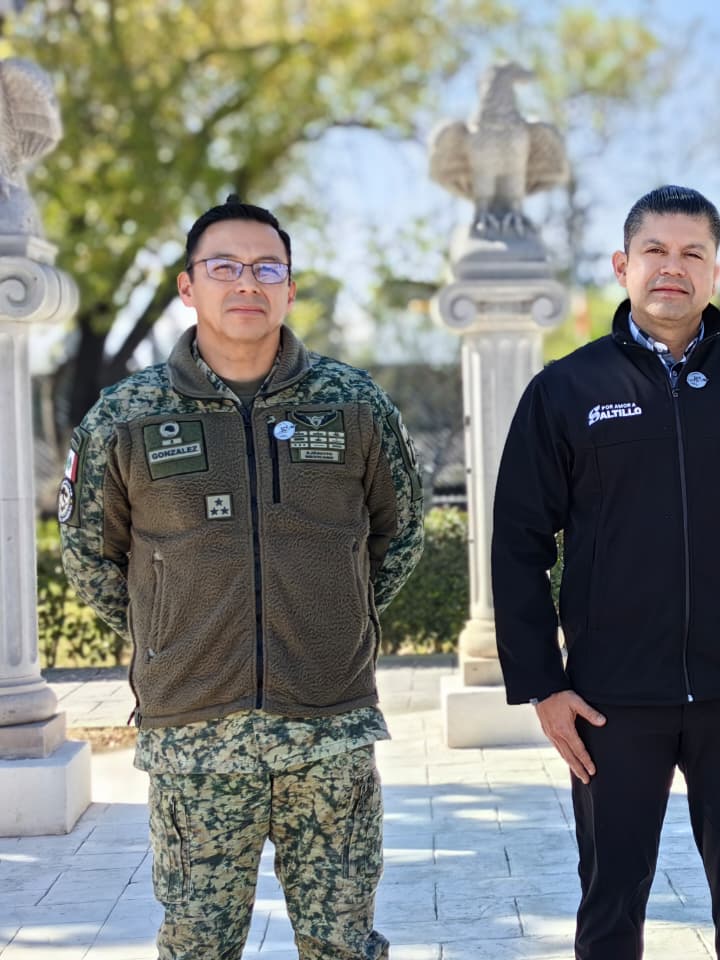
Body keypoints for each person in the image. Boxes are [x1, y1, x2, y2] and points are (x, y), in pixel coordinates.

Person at [59, 195, 426, 960]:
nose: (247, 283)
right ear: (188, 287)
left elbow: (400, 532)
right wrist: (167, 632)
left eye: (267, 269)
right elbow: (90, 555)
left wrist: (340, 616)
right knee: (198, 946)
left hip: (328, 730)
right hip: (195, 739)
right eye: (224, 267)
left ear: (290, 287)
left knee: (343, 944)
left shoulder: (354, 405)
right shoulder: (127, 415)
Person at [491, 185, 720, 960]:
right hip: (611, 699)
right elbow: (518, 542)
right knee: (611, 896)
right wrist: (544, 684)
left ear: (715, 272)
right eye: (654, 251)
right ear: (621, 265)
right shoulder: (566, 390)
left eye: (693, 253)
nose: (672, 268)